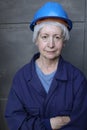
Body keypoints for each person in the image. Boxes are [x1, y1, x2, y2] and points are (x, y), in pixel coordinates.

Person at [5, 1, 87, 130]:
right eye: (44, 37)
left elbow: (80, 125)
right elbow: (15, 123)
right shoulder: (21, 78)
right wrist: (49, 124)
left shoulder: (77, 79)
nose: (51, 44)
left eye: (57, 37)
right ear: (36, 40)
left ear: (64, 42)